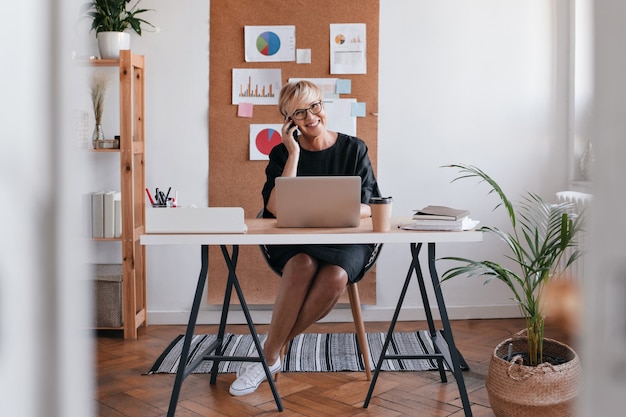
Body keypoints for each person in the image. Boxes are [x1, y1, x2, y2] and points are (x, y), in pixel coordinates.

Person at [229, 80, 381, 396]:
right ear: (289, 120)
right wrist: (293, 152)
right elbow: (275, 206)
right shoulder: (281, 152)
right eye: (300, 112)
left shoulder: (355, 149)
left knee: (336, 276)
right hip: (295, 239)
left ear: (323, 106)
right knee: (301, 265)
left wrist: (340, 208)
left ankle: (268, 353)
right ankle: (270, 356)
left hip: (346, 239)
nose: (311, 117)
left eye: (314, 106)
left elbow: (370, 205)